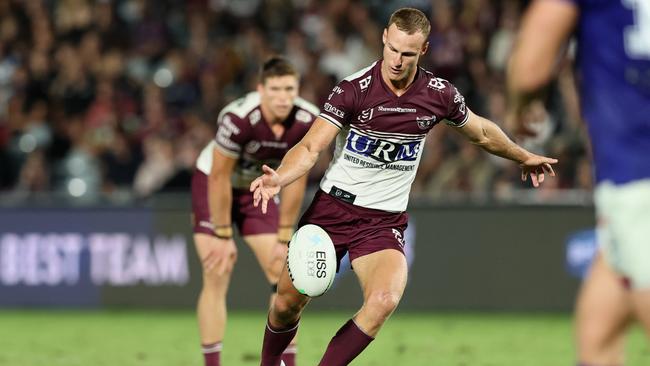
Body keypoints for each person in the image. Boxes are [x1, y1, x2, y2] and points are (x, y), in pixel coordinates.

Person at [250, 8, 558, 366]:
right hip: (332, 211)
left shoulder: (438, 94)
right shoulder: (353, 90)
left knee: (383, 301)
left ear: (424, 50)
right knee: (287, 304)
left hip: (382, 221)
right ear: (384, 37)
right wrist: (280, 177)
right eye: (393, 49)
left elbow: (482, 133)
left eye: (407, 54)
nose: (396, 60)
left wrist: (522, 156)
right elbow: (309, 147)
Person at [507, 1, 650, 365]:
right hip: (630, 190)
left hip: (638, 174)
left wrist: (520, 107)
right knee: (597, 333)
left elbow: (529, 70)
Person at [191, 56, 319, 366]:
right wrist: (222, 234)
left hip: (256, 190)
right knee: (218, 268)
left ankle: (286, 363)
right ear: (260, 89)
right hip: (214, 184)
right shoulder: (238, 118)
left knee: (284, 274)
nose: (282, 97)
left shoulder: (307, 119)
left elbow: (296, 180)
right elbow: (220, 175)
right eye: (275, 89)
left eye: (289, 88)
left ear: (297, 89)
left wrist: (285, 234)